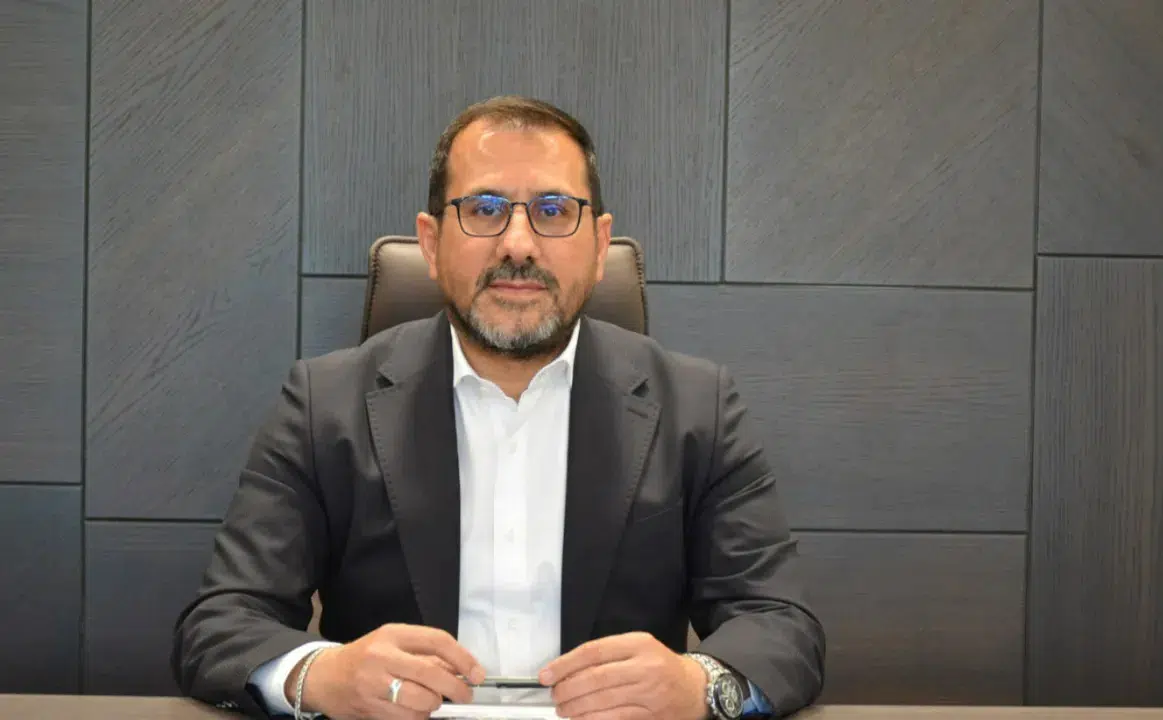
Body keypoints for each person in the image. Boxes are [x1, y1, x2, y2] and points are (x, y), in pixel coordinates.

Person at [172, 95, 825, 720]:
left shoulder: (697, 408)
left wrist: (699, 685)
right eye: (484, 209)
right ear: (431, 244)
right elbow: (221, 624)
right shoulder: (325, 404)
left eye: (553, 210)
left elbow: (782, 625)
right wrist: (324, 675)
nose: (518, 243)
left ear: (601, 246)